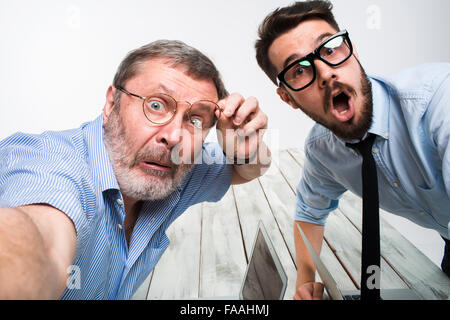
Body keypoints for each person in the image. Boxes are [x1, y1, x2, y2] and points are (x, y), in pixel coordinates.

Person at [0, 40, 270, 299]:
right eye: (155, 105)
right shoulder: (52, 163)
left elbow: (250, 170)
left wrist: (243, 148)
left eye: (195, 119)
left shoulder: (173, 168)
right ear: (111, 103)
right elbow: (41, 242)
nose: (174, 136)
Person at [255, 0, 450, 300]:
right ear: (287, 98)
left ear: (353, 51)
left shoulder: (438, 102)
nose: (325, 74)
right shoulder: (324, 149)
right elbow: (309, 212)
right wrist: (305, 281)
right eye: (299, 69)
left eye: (330, 48)